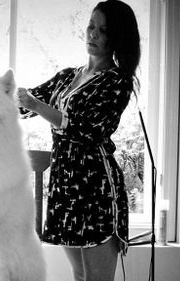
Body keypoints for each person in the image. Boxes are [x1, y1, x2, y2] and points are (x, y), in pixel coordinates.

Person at [17, 0, 140, 280]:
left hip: (96, 189)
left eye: (103, 30)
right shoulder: (66, 77)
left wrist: (38, 106)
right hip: (65, 187)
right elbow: (22, 106)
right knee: (80, 275)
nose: (93, 34)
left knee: (96, 279)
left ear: (117, 37)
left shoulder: (117, 82)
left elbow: (89, 131)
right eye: (91, 26)